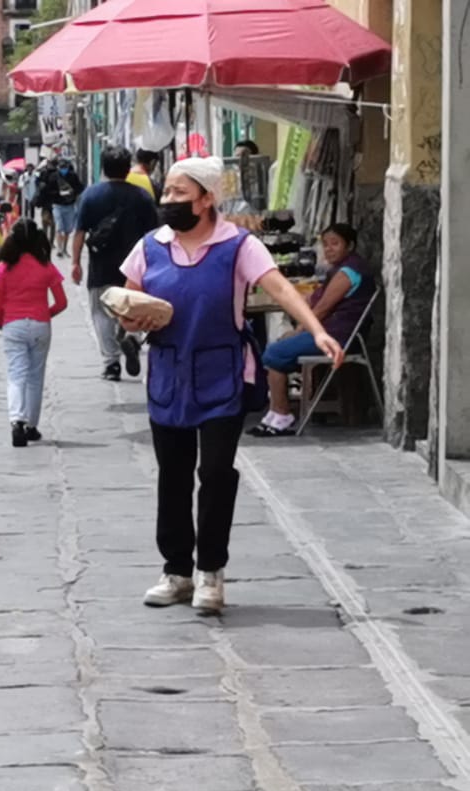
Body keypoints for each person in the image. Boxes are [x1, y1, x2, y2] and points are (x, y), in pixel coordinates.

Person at [117, 157, 344, 614]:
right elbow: (126, 298)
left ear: (206, 199)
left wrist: (316, 330)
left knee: (217, 474)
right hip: (169, 373)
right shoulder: (150, 246)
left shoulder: (238, 246)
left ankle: (210, 572)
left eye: (180, 193)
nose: (168, 200)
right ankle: (176, 570)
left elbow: (280, 288)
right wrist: (131, 319)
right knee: (173, 475)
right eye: (167, 192)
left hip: (222, 373)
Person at [250, 223, 376, 436]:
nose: (329, 249)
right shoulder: (340, 269)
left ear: (350, 246)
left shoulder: (348, 272)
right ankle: (274, 412)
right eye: (325, 244)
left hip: (338, 336)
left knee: (274, 353)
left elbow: (322, 309)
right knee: (278, 348)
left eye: (335, 244)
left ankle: (282, 414)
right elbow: (316, 299)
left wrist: (299, 330)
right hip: (335, 332)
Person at [72, 146, 160, 381]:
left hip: (101, 265)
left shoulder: (91, 195)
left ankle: (111, 363)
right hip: (135, 267)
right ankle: (132, 337)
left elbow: (79, 232)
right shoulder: (142, 196)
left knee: (101, 312)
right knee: (134, 306)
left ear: (103, 168)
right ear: (127, 168)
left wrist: (75, 263)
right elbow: (155, 234)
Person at [0, 219, 68, 447]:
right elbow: (62, 302)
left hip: (13, 325)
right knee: (35, 377)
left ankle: (17, 421)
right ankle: (32, 426)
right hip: (40, 325)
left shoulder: (3, 268)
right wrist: (44, 314)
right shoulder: (46, 267)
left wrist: (3, 323)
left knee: (16, 374)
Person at [39, 155, 85, 257]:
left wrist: (72, 192)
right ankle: (60, 249)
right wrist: (58, 193)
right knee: (59, 228)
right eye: (62, 167)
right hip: (57, 205)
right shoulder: (53, 177)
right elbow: (48, 190)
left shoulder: (73, 176)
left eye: (65, 167)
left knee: (68, 229)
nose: (64, 169)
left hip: (70, 205)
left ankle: (64, 249)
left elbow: (80, 188)